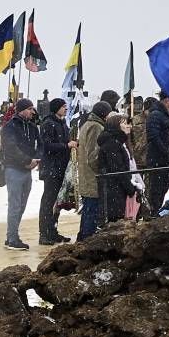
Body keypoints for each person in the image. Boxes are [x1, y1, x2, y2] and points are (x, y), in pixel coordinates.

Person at [0, 99, 40, 250]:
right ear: (22, 110)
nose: (32, 112)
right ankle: (12, 239)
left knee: (22, 205)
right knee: (15, 205)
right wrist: (27, 160)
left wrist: (36, 159)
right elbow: (10, 147)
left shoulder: (32, 127)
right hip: (14, 168)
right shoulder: (10, 127)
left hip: (27, 169)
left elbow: (40, 144)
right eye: (29, 109)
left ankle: (11, 235)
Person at [70, 100, 110, 241]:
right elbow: (93, 154)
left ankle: (83, 237)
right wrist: (101, 170)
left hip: (86, 173)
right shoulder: (96, 126)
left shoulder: (88, 124)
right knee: (91, 210)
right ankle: (87, 239)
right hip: (92, 175)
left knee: (88, 208)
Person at [38, 98, 72, 245]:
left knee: (56, 203)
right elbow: (47, 146)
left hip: (61, 168)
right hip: (51, 169)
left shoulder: (63, 123)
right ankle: (44, 233)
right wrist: (66, 146)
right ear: (56, 108)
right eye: (63, 106)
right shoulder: (48, 123)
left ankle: (52, 231)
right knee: (48, 202)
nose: (66, 108)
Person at [94, 112, 134, 235]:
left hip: (115, 188)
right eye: (125, 123)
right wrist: (129, 187)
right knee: (114, 223)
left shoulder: (117, 142)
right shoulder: (112, 144)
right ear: (116, 126)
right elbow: (118, 169)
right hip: (113, 189)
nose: (129, 126)